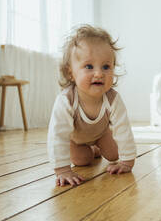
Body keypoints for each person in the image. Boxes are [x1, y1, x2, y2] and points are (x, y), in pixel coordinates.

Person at [48, 25, 136, 187]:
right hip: (76, 139)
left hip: (101, 133)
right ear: (70, 73)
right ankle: (92, 150)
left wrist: (127, 162)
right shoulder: (66, 100)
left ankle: (97, 146)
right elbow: (57, 135)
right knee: (83, 161)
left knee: (113, 154)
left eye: (106, 67)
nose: (99, 73)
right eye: (89, 66)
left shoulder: (113, 99)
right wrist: (62, 170)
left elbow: (123, 129)